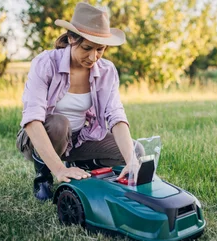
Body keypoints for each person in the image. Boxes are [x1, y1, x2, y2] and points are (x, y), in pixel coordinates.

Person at [16, 2, 142, 201]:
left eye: (100, 49)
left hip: (79, 139)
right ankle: (44, 176)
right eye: (87, 48)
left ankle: (83, 167)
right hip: (44, 137)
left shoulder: (107, 71)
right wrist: (58, 169)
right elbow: (32, 120)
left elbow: (116, 116)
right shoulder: (46, 63)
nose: (93, 57)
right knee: (59, 124)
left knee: (135, 151)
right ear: (71, 38)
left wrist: (131, 161)